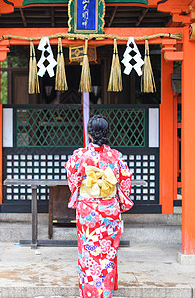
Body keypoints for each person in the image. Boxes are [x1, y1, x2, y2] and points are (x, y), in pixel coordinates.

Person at [64, 115, 133, 298]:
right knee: (107, 251)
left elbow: (72, 177)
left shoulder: (80, 155)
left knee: (88, 251)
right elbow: (126, 179)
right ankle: (106, 292)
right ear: (108, 132)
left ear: (89, 134)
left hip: (88, 211)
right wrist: (120, 202)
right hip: (110, 209)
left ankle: (89, 293)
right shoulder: (116, 156)